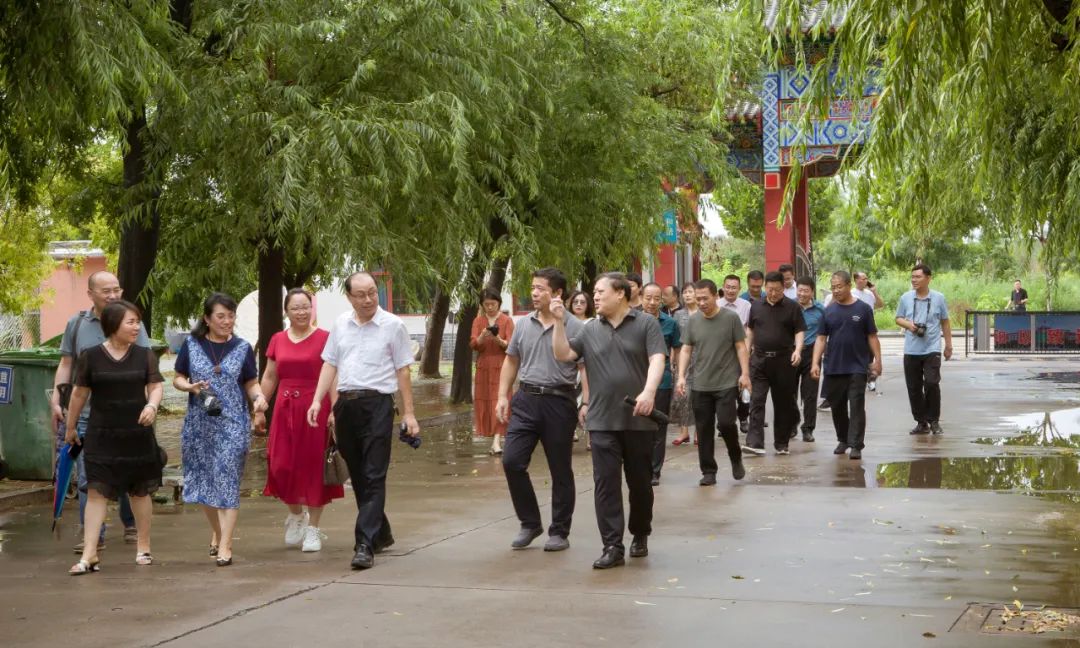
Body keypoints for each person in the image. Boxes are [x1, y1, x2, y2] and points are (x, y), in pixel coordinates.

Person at [552, 272, 666, 569]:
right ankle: (612, 546)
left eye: (600, 291)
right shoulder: (590, 329)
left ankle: (640, 532)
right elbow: (563, 353)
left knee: (640, 484)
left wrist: (649, 392)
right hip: (602, 419)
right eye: (594, 291)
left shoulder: (646, 323)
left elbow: (657, 359)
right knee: (605, 485)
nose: (596, 296)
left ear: (620, 293)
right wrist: (558, 322)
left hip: (638, 418)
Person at [307, 272, 420, 570]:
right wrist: (318, 401)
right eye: (361, 294)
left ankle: (364, 544)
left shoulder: (393, 325)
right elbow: (330, 363)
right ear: (349, 297)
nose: (369, 299)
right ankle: (381, 533)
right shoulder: (340, 324)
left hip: (378, 405)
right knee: (358, 475)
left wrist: (409, 413)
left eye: (372, 292)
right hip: (346, 405)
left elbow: (403, 370)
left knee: (373, 474)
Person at [65, 301, 163, 574]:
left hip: (137, 435)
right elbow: (79, 394)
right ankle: (90, 554)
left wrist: (151, 405)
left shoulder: (144, 355)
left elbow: (155, 387)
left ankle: (143, 547)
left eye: (137, 321)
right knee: (96, 492)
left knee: (139, 492)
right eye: (130, 322)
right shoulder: (91, 356)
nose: (136, 327)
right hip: (101, 435)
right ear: (113, 324)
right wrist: (71, 428)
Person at [51, 271, 146, 553]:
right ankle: (94, 536)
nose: (113, 295)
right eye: (106, 291)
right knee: (88, 477)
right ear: (90, 294)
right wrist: (57, 398)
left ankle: (130, 523)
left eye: (117, 289)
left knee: (127, 471)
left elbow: (145, 366)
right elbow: (66, 364)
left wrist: (147, 406)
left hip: (126, 414)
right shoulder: (77, 324)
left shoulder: (133, 323)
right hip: (86, 415)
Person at [174, 293, 267, 566]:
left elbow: (251, 381)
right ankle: (217, 531)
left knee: (228, 480)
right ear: (207, 319)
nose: (227, 321)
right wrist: (189, 387)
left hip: (233, 423)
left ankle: (226, 544)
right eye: (221, 316)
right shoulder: (191, 345)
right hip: (200, 425)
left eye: (231, 316)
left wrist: (258, 398)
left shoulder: (242, 347)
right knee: (205, 482)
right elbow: (178, 378)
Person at [496, 268, 585, 552]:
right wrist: (502, 396)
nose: (534, 293)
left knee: (560, 469)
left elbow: (584, 367)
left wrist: (587, 402)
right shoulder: (523, 324)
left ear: (557, 293)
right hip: (526, 399)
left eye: (540, 289)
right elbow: (511, 360)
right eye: (532, 287)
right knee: (512, 461)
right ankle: (530, 522)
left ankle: (559, 530)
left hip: (559, 401)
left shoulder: (575, 326)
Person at [254, 289, 343, 553]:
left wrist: (335, 409)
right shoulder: (278, 339)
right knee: (280, 465)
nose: (302, 312)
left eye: (306, 307)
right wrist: (259, 406)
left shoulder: (325, 338)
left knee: (314, 467)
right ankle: (296, 515)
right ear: (287, 311)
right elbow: (270, 376)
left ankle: (313, 529)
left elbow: (333, 376)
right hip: (284, 409)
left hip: (314, 408)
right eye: (296, 308)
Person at [676, 279, 749, 486]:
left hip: (726, 381)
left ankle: (735, 456)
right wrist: (681, 376)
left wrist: (745, 374)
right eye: (698, 299)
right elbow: (686, 349)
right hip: (700, 383)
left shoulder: (731, 318)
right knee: (704, 428)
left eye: (705, 298)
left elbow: (741, 347)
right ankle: (708, 471)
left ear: (716, 296)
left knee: (726, 423)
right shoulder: (693, 321)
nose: (701, 303)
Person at [811, 271, 882, 460]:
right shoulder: (828, 311)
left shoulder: (863, 309)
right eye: (833, 287)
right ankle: (843, 439)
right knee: (837, 406)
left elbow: (872, 336)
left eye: (839, 287)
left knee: (857, 405)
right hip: (834, 366)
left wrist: (878, 360)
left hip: (857, 366)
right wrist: (815, 362)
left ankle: (856, 444)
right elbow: (821, 338)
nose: (836, 290)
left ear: (849, 286)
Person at [744, 271, 805, 456]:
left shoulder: (793, 307)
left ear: (783, 288)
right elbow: (750, 330)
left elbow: (799, 330)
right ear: (765, 287)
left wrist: (797, 350)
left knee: (783, 403)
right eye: (770, 289)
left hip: (783, 361)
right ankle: (755, 443)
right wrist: (746, 350)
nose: (773, 293)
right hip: (759, 360)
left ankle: (781, 443)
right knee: (756, 400)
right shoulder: (756, 306)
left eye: (777, 290)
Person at [895, 263, 952, 435]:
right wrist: (909, 325)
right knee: (914, 388)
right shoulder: (905, 298)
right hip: (911, 349)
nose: (914, 280)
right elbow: (898, 318)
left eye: (918, 277)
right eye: (912, 277)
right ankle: (921, 422)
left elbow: (945, 322)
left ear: (928, 278)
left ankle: (934, 421)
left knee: (932, 383)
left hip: (932, 348)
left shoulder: (939, 298)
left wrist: (948, 345)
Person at [641, 282, 681, 485]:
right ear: (641, 298)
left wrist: (679, 374)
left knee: (659, 425)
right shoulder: (632, 320)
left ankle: (654, 470)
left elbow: (678, 349)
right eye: (648, 298)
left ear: (662, 300)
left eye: (657, 298)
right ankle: (640, 467)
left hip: (662, 380)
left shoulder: (670, 323)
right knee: (639, 426)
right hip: (637, 379)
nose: (652, 302)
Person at [470, 289, 515, 455]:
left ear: (499, 303)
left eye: (493, 304)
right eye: (486, 304)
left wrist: (498, 339)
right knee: (486, 400)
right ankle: (493, 437)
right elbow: (473, 344)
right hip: (484, 366)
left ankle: (497, 440)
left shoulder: (507, 320)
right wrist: (482, 336)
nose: (490, 307)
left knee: (501, 400)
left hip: (502, 365)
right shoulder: (478, 321)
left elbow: (511, 345)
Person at [794, 276, 825, 443]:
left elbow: (825, 333)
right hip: (792, 353)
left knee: (810, 394)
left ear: (812, 292)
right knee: (789, 392)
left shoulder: (821, 310)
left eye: (806, 291)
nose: (802, 294)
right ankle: (791, 424)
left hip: (812, 354)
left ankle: (808, 428)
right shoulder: (790, 307)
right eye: (799, 290)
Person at [719, 274, 752, 432]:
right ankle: (724, 421)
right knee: (724, 389)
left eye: (734, 288)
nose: (731, 290)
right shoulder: (716, 304)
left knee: (743, 386)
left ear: (740, 289)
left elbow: (749, 330)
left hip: (741, 352)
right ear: (723, 287)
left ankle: (744, 418)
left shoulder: (746, 306)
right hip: (721, 354)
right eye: (728, 287)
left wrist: (747, 351)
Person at [669, 282, 699, 445]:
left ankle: (699, 432)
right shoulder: (678, 315)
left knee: (699, 396)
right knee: (682, 395)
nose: (687, 295)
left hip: (701, 358)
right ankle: (684, 432)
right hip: (683, 358)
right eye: (685, 292)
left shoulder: (703, 312)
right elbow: (674, 340)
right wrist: (672, 360)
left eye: (690, 292)